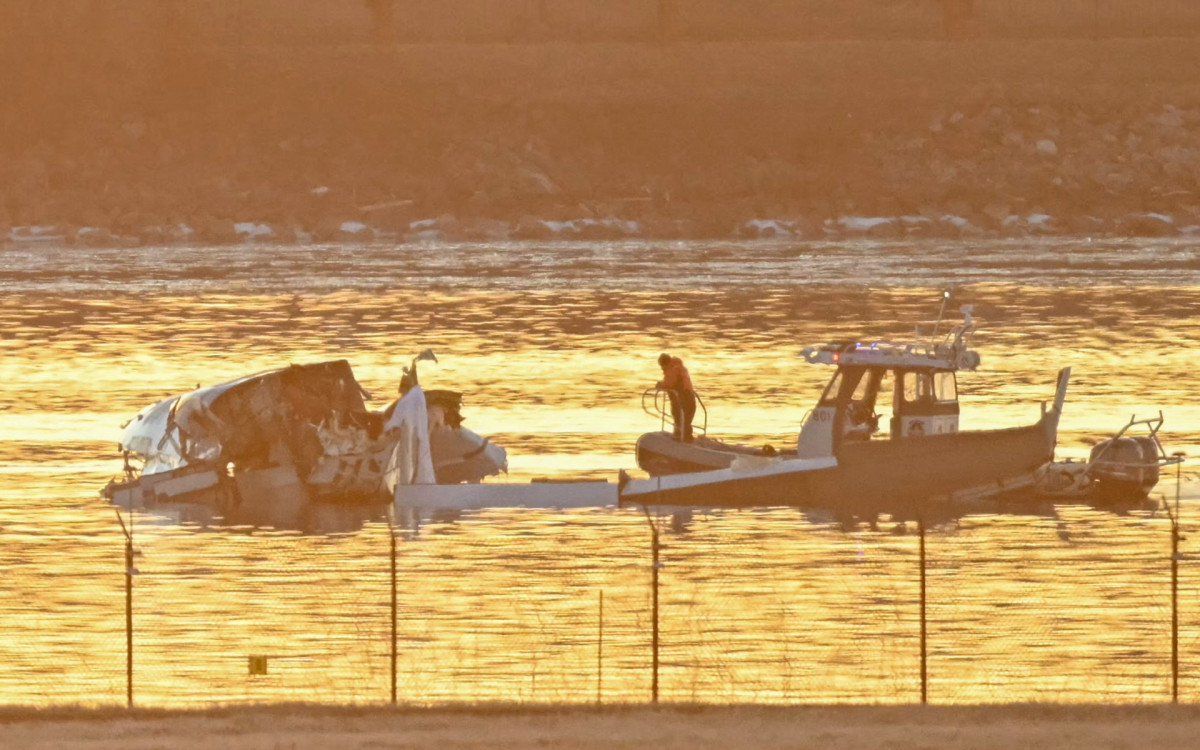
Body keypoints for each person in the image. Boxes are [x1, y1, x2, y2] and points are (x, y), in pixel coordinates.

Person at [657, 352, 696, 442]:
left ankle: (682, 437)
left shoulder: (673, 369)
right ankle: (685, 436)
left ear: (664, 364)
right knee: (685, 418)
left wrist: (659, 385)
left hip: (682, 398)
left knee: (679, 416)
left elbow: (668, 384)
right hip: (689, 396)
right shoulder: (679, 367)